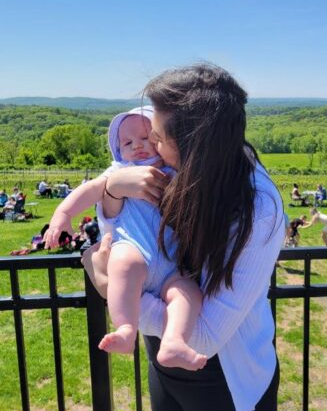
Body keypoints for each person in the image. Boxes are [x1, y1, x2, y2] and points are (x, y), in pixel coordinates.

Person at [81, 64, 284, 411]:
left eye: (157, 137)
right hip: (165, 362)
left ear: (195, 145)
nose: (150, 145)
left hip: (226, 382)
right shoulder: (181, 173)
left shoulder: (257, 206)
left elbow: (205, 337)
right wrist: (112, 190)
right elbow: (127, 231)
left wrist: (111, 284)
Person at [45, 107, 207, 370]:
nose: (138, 146)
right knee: (121, 263)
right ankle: (125, 329)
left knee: (188, 292)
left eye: (145, 138)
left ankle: (174, 341)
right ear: (118, 150)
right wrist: (63, 213)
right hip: (135, 251)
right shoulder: (118, 171)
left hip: (171, 266)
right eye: (128, 143)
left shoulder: (175, 171)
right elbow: (90, 190)